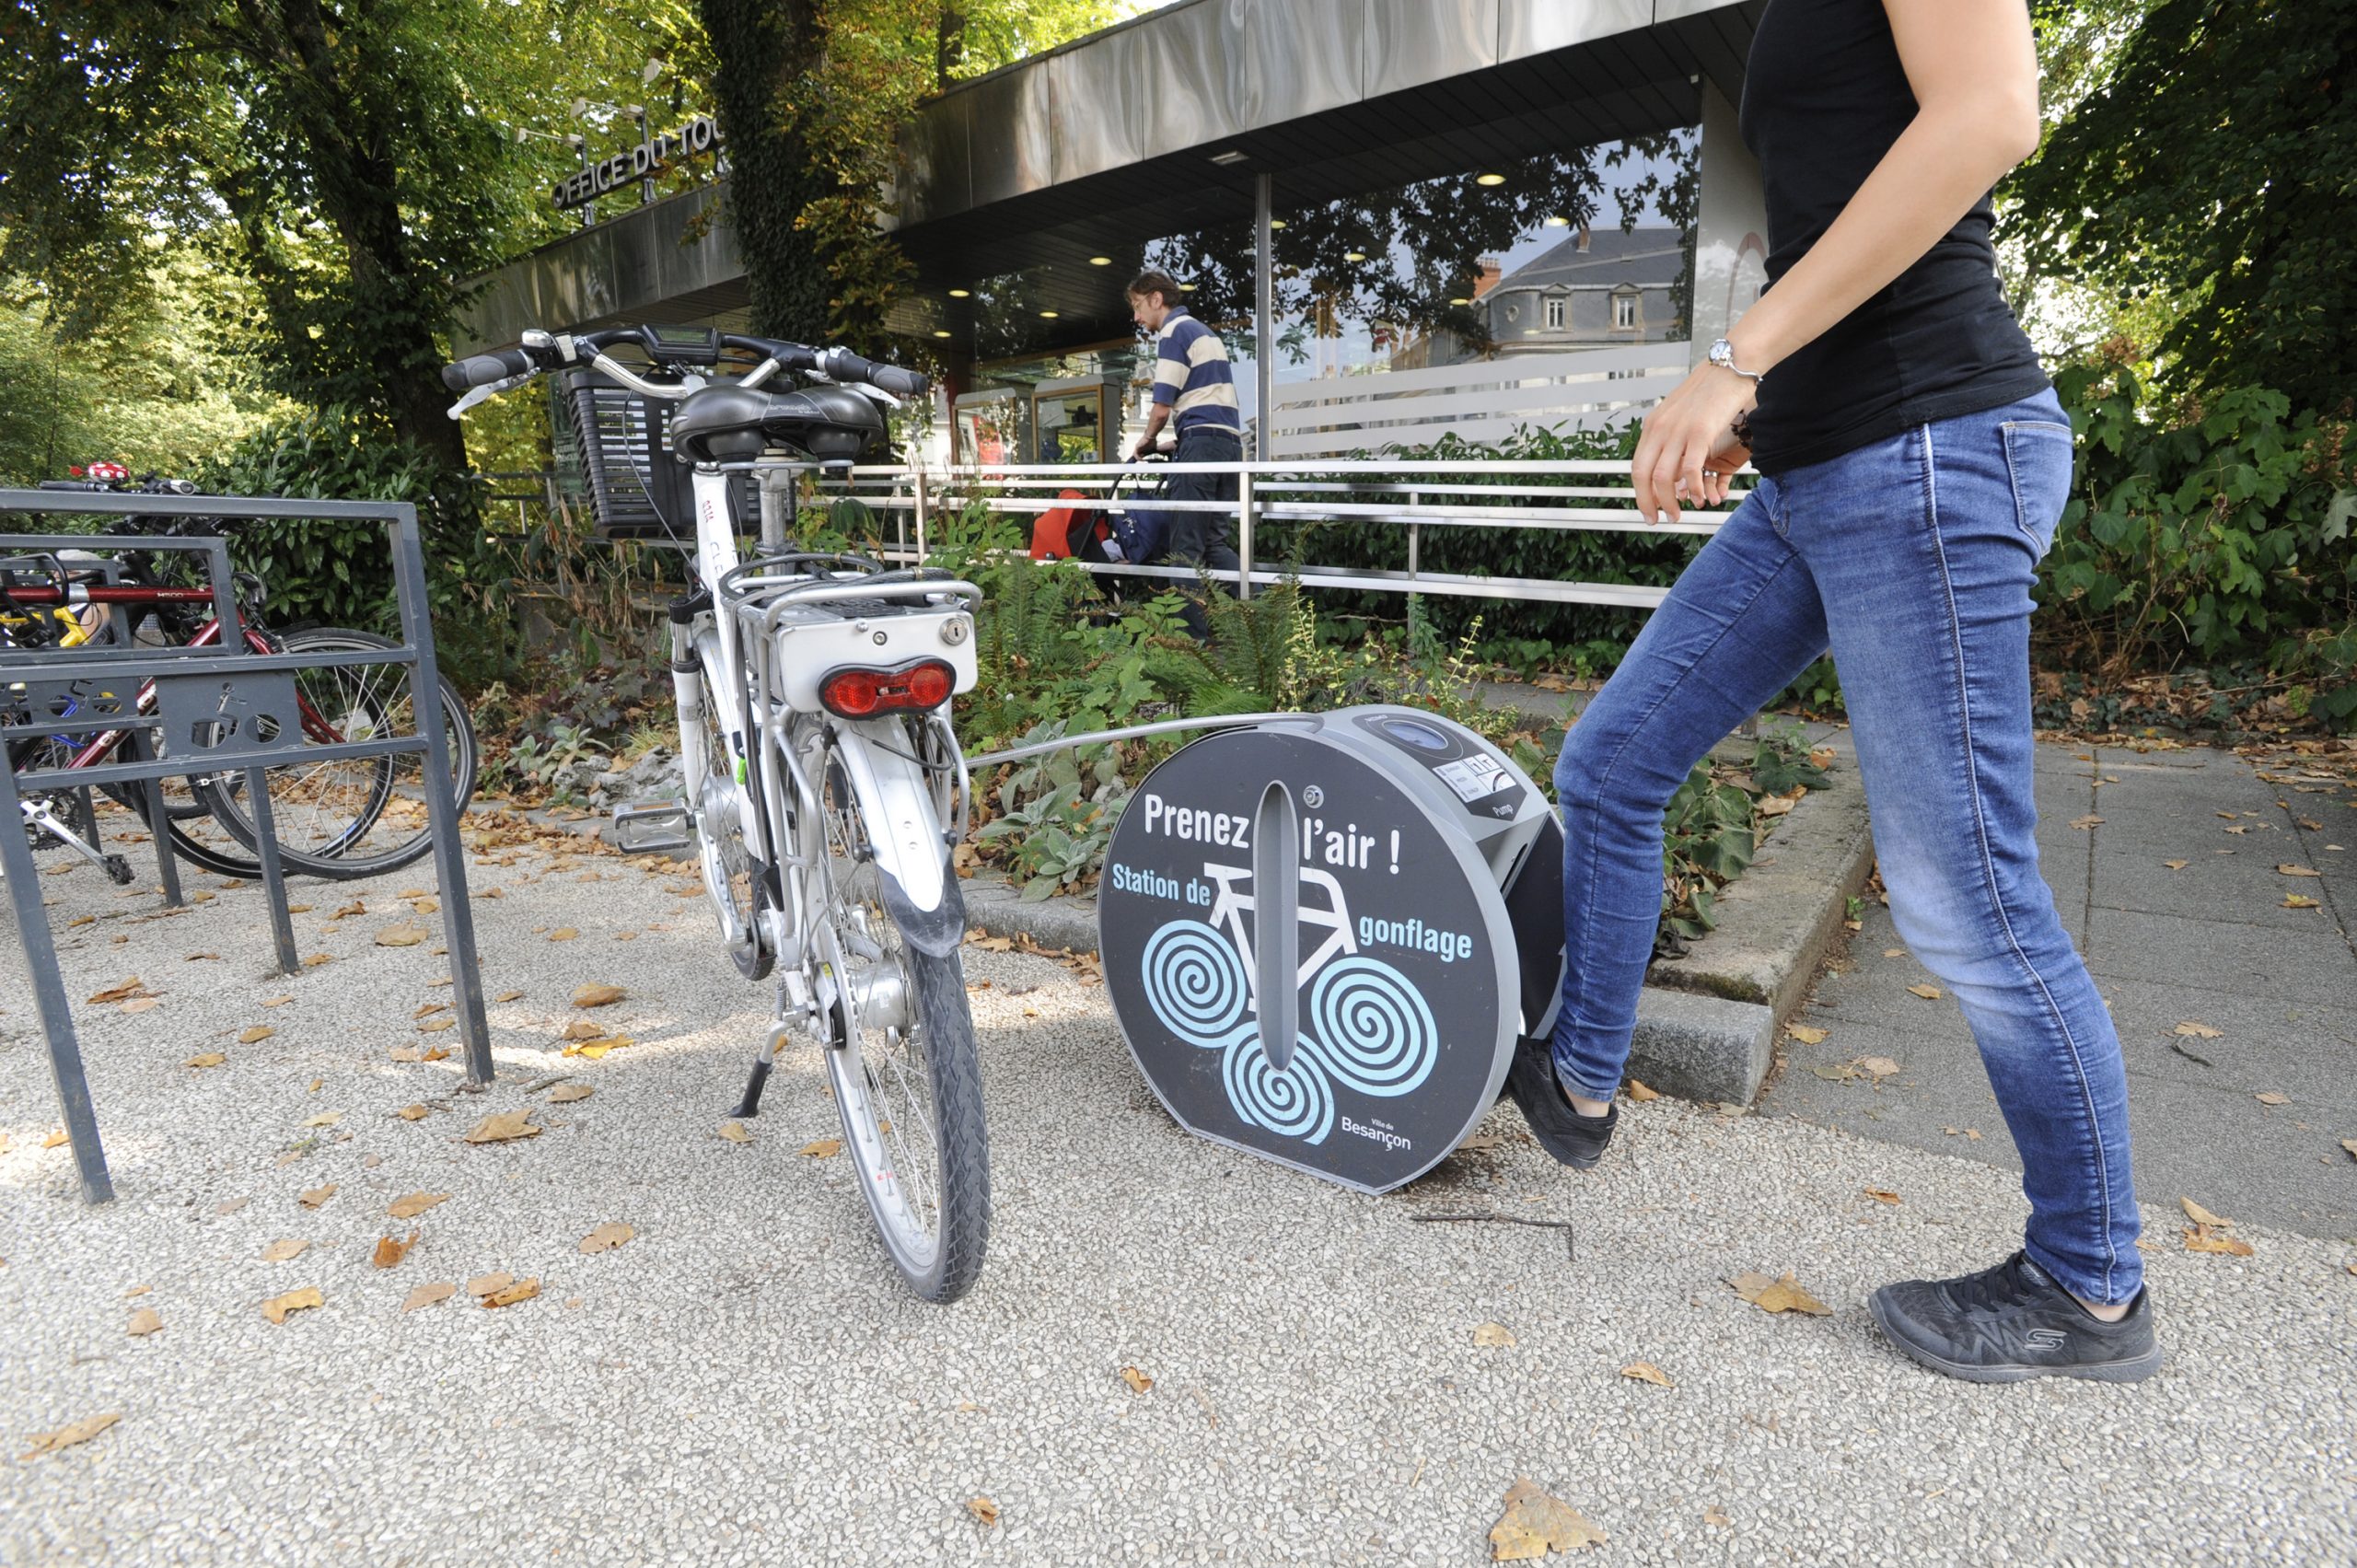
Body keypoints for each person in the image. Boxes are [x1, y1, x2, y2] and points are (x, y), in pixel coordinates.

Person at [1506, 0, 2160, 1385]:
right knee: (1614, 761)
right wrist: (1771, 408)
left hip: (1927, 449)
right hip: (1827, 469)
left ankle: (2091, 1281)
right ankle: (1580, 1080)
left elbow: (1989, 116)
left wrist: (1736, 356)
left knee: (1967, 896)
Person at [1125, 272, 1242, 636]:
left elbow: (1162, 408)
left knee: (1184, 549)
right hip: (1228, 445)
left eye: (1138, 306)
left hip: (1202, 445)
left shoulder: (1174, 332)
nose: (1137, 317)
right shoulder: (1205, 332)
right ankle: (1264, 615)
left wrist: (1145, 440)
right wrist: (1174, 443)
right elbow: (1210, 407)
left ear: (1156, 299)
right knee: (1213, 543)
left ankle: (1193, 643)